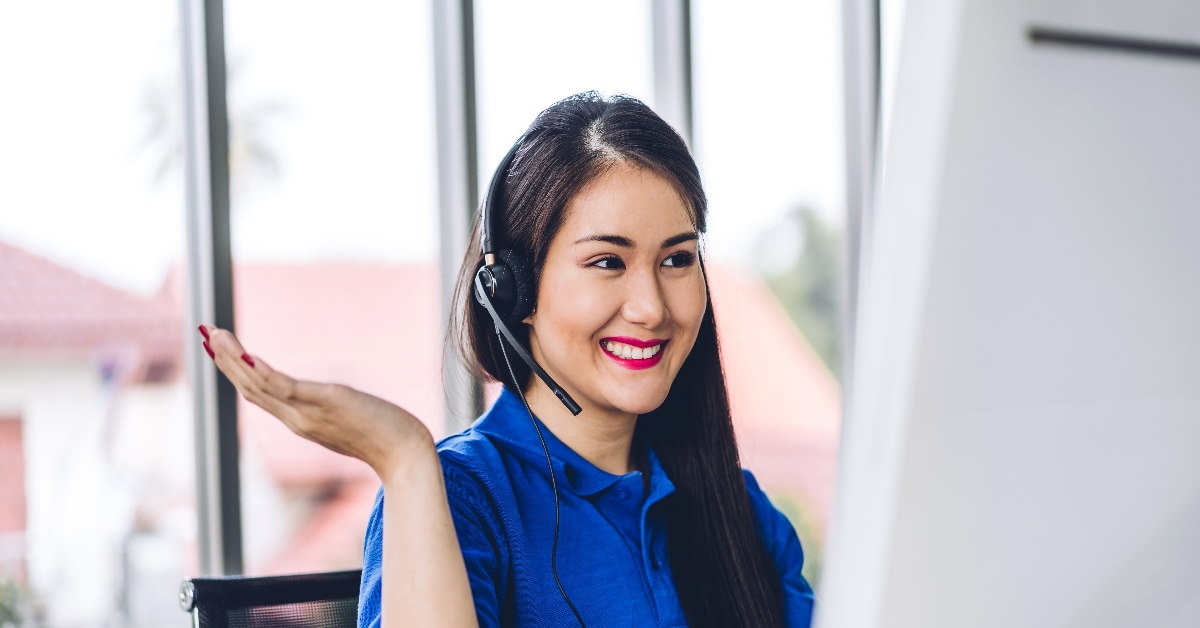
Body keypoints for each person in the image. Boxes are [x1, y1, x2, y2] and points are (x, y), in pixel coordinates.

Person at [199, 92, 814, 628]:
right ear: (511, 292)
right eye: (608, 262)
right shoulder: (463, 499)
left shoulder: (735, 506)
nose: (652, 307)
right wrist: (406, 462)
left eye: (677, 259)